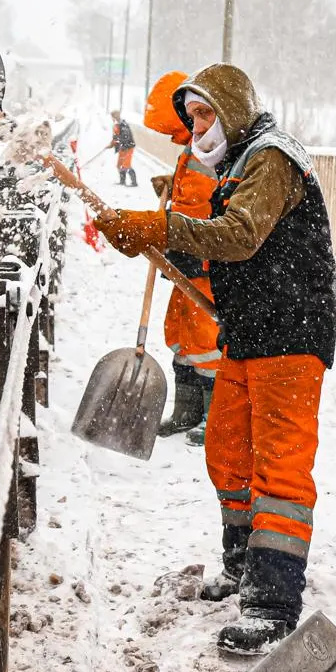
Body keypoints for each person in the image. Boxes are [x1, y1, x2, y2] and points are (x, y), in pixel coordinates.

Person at [93, 63, 336, 655]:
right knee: (228, 452)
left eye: (205, 113)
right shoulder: (236, 162)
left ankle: (272, 602)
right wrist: (152, 237)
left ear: (232, 109)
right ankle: (242, 566)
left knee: (279, 466)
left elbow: (241, 234)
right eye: (193, 116)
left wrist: (162, 227)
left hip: (290, 332)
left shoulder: (271, 158)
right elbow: (224, 249)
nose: (198, 126)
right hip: (249, 332)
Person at [140, 71, 222, 442]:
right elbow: (193, 193)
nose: (171, 137)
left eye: (172, 129)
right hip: (184, 255)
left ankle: (214, 417)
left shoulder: (215, 148)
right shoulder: (192, 147)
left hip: (205, 259)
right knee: (179, 331)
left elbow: (212, 203)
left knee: (206, 339)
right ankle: (186, 410)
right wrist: (171, 186)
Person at [111, 109, 138, 187]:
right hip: (122, 147)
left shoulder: (123, 125)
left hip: (128, 147)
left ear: (117, 116)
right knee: (119, 165)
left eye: (113, 116)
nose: (113, 118)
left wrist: (117, 142)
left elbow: (125, 137)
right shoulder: (116, 125)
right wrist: (113, 143)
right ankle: (122, 181)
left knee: (126, 165)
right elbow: (116, 136)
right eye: (112, 117)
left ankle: (134, 183)